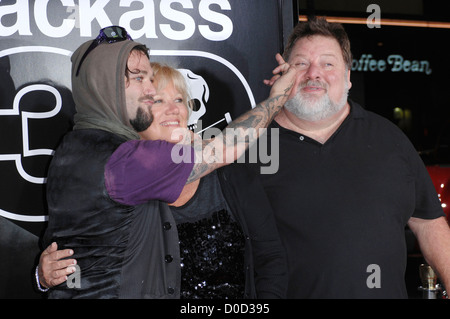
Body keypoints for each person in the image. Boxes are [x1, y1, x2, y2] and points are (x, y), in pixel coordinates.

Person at [38, 25, 298, 299]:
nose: (150, 92)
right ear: (107, 88)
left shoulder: (72, 147)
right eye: (139, 79)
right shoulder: (126, 163)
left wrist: (50, 277)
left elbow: (73, 251)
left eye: (179, 99)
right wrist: (277, 98)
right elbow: (227, 147)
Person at [247, 17, 450, 298]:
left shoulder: (389, 140)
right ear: (283, 73)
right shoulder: (251, 146)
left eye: (328, 64)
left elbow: (428, 222)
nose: (314, 73)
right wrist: (270, 105)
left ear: (348, 77)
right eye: (301, 64)